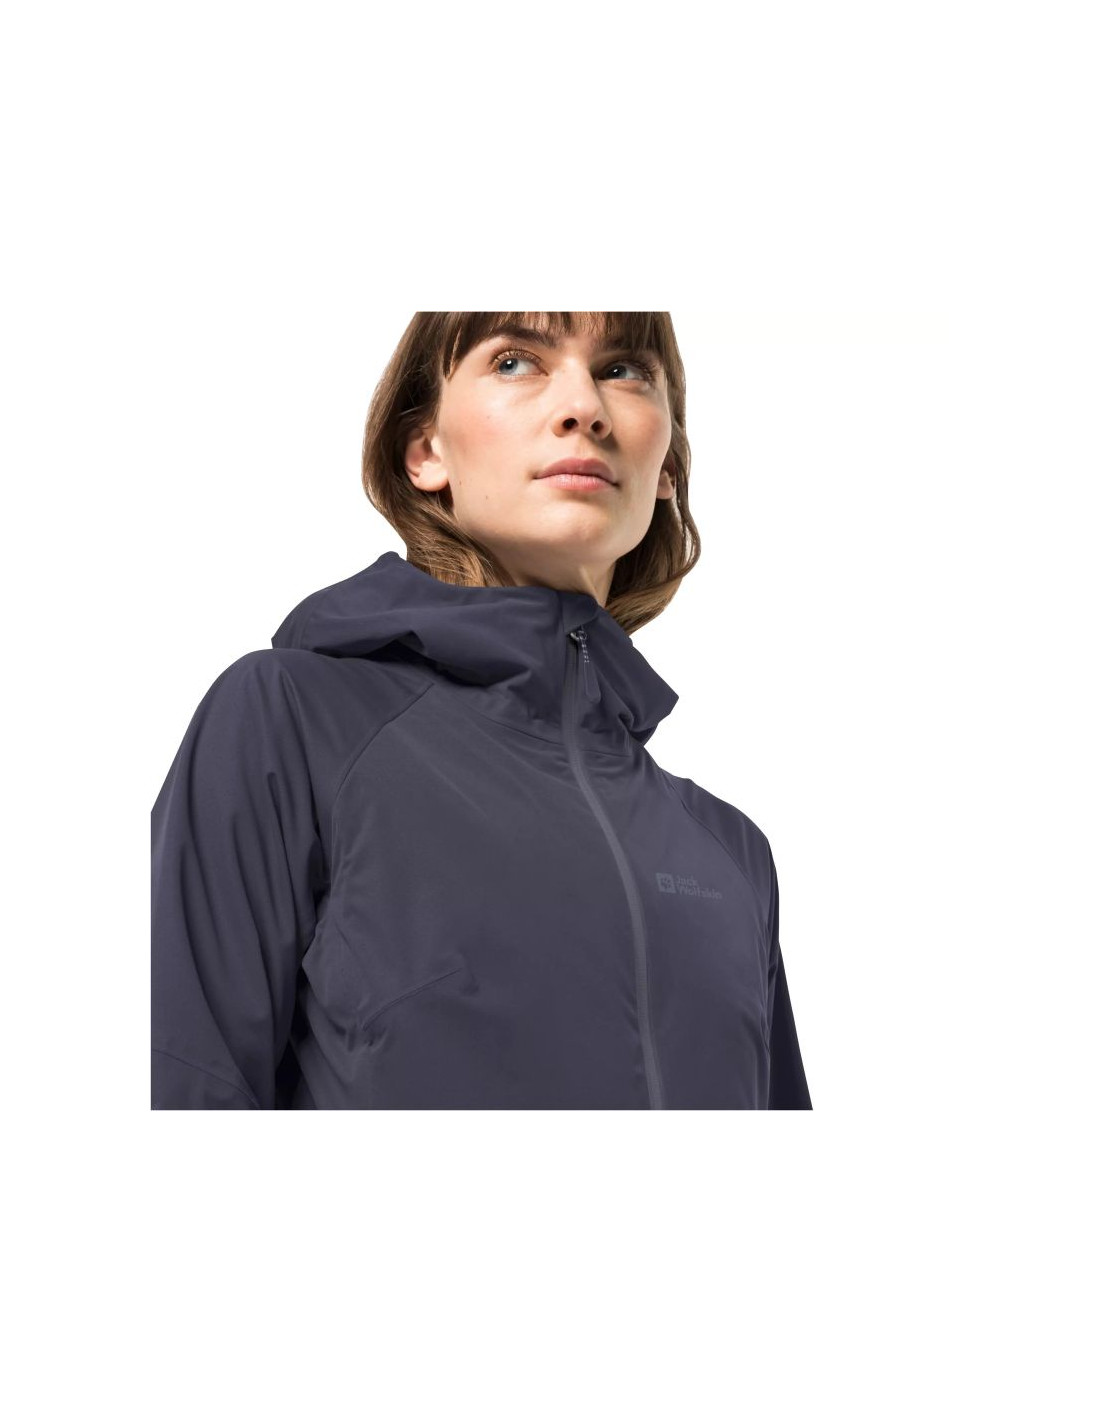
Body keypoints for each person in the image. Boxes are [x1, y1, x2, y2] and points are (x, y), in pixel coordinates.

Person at [150, 311, 812, 1110]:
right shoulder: (291, 726)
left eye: (624, 370)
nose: (584, 407)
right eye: (515, 362)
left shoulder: (731, 856)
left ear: (666, 465)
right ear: (425, 451)